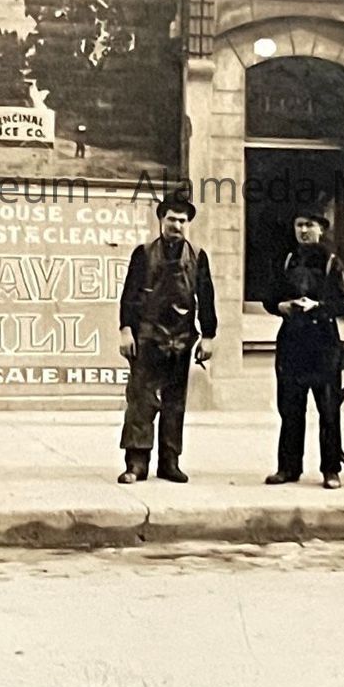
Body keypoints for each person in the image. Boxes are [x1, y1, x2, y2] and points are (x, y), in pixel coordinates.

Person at [117, 192, 217, 483]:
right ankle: (137, 463)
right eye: (172, 219)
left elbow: (206, 297)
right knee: (141, 401)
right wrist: (126, 329)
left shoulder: (197, 256)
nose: (177, 225)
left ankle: (169, 462)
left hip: (181, 338)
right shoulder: (144, 253)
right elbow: (130, 295)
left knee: (175, 403)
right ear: (161, 220)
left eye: (182, 220)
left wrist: (208, 335)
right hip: (147, 337)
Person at [263, 209, 344, 487]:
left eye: (309, 225)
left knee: (328, 410)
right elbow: (269, 298)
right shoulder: (287, 259)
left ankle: (331, 470)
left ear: (321, 229)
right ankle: (288, 468)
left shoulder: (332, 262)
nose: (303, 231)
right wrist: (281, 306)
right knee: (290, 408)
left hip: (324, 344)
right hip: (292, 342)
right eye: (299, 225)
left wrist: (318, 306)